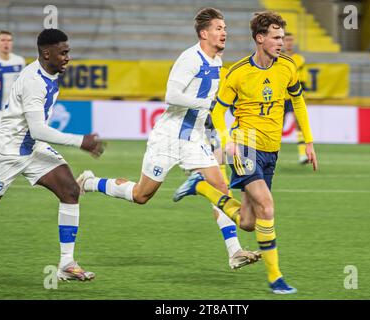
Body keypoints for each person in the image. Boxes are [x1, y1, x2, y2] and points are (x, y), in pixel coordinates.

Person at [77, 7, 260, 269]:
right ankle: (90, 182)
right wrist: (208, 102)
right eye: (219, 28)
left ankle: (234, 252)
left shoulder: (217, 62)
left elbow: (209, 107)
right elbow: (172, 96)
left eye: (225, 29)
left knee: (220, 187)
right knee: (141, 195)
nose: (224, 33)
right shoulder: (190, 59)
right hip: (169, 137)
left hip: (195, 137)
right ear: (203, 33)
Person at [173, 11, 318, 294]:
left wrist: (309, 142)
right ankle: (276, 278)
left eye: (282, 37)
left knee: (249, 223)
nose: (281, 43)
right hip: (245, 144)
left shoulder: (287, 67)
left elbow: (298, 102)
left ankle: (201, 186)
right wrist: (227, 140)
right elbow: (217, 109)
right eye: (275, 38)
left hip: (271, 150)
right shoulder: (238, 72)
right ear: (260, 38)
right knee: (267, 205)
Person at [0, 29, 105, 281]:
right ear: (47, 53)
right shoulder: (33, 81)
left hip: (32, 147)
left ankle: (66, 264)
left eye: (68, 51)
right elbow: (38, 129)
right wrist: (81, 141)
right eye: (63, 52)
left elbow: (35, 132)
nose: (68, 57)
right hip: (8, 152)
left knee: (69, 190)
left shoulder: (50, 72)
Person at [282, 32, 309, 164]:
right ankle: (271, 154)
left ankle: (302, 155)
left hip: (294, 96)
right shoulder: (277, 58)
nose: (289, 42)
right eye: (287, 40)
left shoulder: (299, 59)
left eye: (291, 40)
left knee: (299, 123)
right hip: (280, 97)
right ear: (282, 41)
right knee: (276, 126)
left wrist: (302, 94)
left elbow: (302, 79)